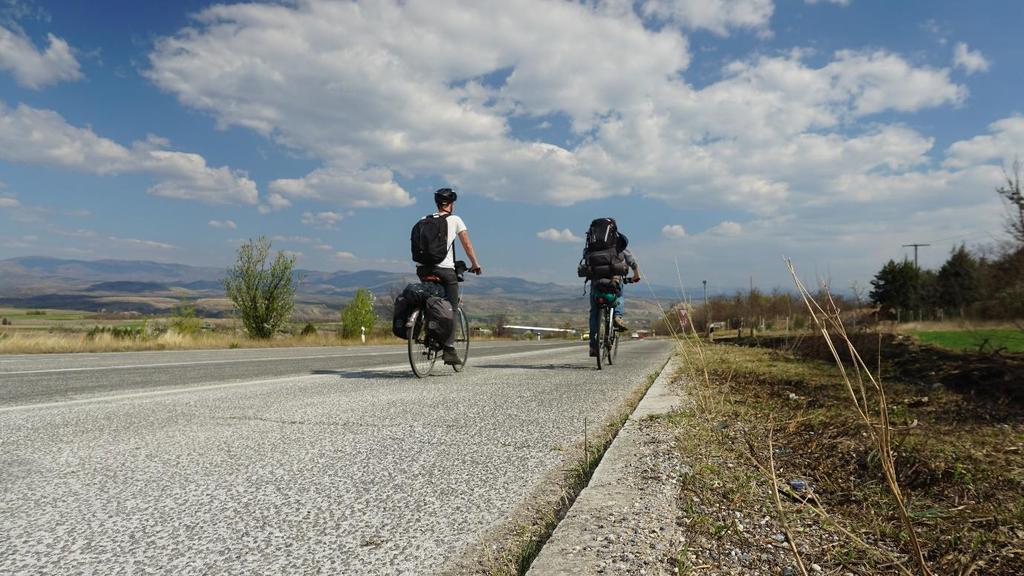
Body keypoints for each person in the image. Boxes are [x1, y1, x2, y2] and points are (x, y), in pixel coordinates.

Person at [414, 188, 482, 365]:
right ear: (451, 204)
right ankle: (449, 349)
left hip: (423, 269)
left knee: (430, 301)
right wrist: (475, 264)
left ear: (437, 204)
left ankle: (428, 332)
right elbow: (466, 243)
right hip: (444, 270)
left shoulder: (423, 220)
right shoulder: (455, 219)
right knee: (452, 307)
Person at [583, 220, 641, 357]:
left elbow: (585, 258)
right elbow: (631, 260)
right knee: (619, 295)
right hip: (614, 279)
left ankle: (593, 346)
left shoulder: (591, 244)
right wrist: (636, 275)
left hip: (597, 280)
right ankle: (617, 316)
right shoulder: (618, 242)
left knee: (594, 312)